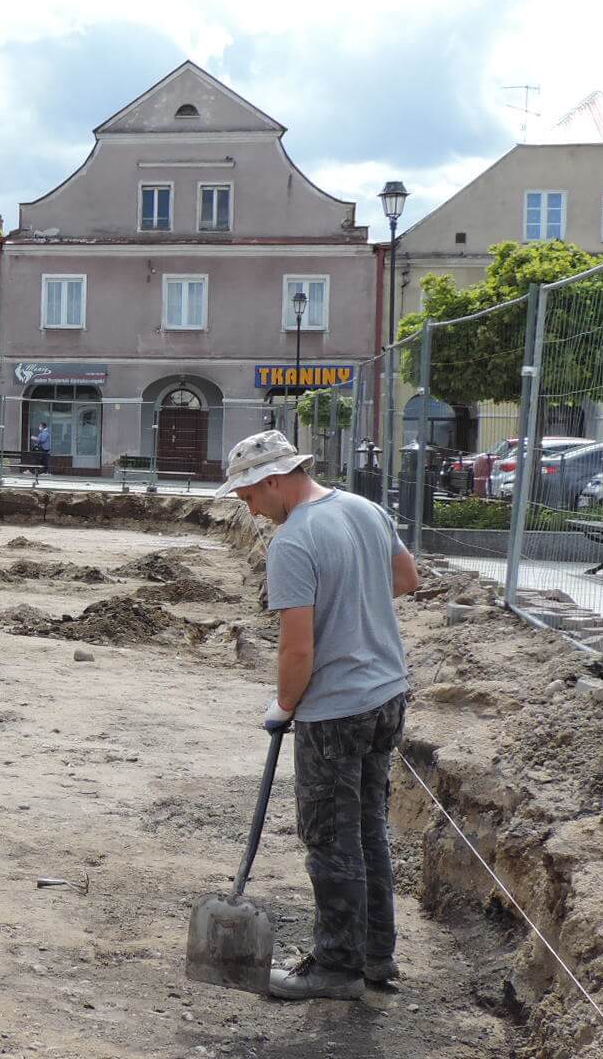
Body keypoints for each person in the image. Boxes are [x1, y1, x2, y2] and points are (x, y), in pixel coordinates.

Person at [216, 429, 420, 1002]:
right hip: (387, 696)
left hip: (335, 711)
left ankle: (336, 967)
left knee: (331, 839)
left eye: (249, 497)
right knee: (369, 830)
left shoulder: (294, 542)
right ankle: (377, 958)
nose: (250, 510)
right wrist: (354, 602)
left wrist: (284, 706)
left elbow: (297, 650)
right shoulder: (365, 509)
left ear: (273, 481)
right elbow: (406, 580)